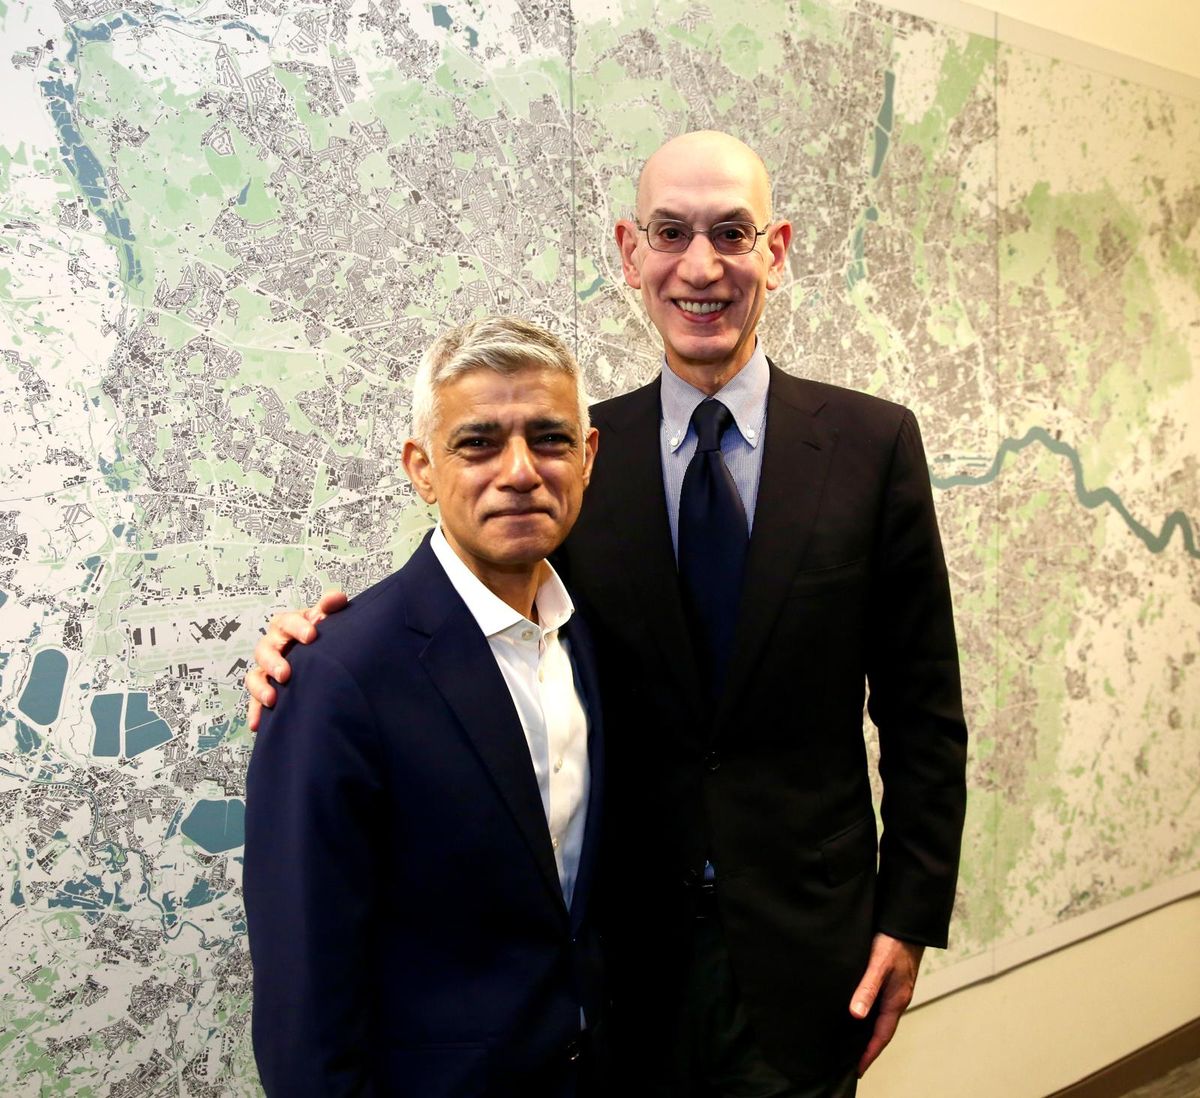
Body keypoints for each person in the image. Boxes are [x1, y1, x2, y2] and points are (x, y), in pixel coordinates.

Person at [247, 131, 968, 1098]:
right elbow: (473, 610)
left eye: (732, 233)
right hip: (620, 976)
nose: (701, 267)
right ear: (631, 254)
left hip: (810, 949)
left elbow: (924, 713)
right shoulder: (578, 456)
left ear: (777, 252)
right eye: (670, 233)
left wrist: (908, 920)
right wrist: (307, 650)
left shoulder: (874, 446)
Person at [242, 316, 604, 1098]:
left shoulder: (595, 636)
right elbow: (305, 1007)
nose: (520, 471)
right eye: (478, 443)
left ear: (588, 457)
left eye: (550, 439)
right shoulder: (336, 678)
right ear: (422, 469)